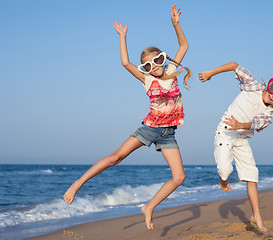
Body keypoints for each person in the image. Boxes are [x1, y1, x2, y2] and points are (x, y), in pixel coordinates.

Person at [63, 4, 191, 230]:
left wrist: (175, 24)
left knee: (179, 177)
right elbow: (125, 63)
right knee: (116, 157)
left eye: (157, 60)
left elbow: (183, 45)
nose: (155, 67)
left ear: (163, 58)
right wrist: (123, 37)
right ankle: (77, 184)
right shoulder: (147, 80)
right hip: (149, 127)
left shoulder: (171, 70)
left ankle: (148, 207)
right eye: (148, 65)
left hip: (168, 132)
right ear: (146, 69)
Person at [198, 62, 273, 232]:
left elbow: (253, 124)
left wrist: (240, 124)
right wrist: (211, 72)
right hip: (225, 131)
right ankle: (222, 179)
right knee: (225, 169)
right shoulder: (253, 86)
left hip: (241, 138)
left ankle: (256, 214)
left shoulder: (268, 114)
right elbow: (234, 65)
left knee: (252, 175)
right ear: (271, 84)